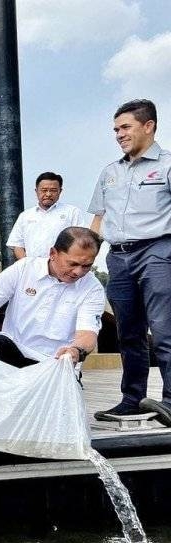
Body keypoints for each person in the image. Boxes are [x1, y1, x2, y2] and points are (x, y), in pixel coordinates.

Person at [88, 99, 171, 424]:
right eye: (116, 130)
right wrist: (86, 260)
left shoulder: (166, 166)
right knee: (128, 333)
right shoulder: (110, 172)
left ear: (148, 126)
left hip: (158, 253)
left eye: (125, 127)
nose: (119, 134)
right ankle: (132, 400)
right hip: (118, 259)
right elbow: (98, 219)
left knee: (165, 331)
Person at [0, 227, 105, 368]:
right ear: (53, 253)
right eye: (72, 264)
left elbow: (87, 334)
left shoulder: (93, 288)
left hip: (55, 363)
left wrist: (76, 351)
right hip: (11, 354)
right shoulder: (24, 268)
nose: (78, 272)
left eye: (87, 266)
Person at [7, 172, 86, 260]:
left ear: (60, 191)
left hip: (63, 268)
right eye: (44, 190)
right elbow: (17, 245)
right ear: (36, 191)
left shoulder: (72, 212)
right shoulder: (25, 216)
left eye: (53, 190)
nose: (48, 194)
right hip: (33, 269)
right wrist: (27, 265)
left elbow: (81, 241)